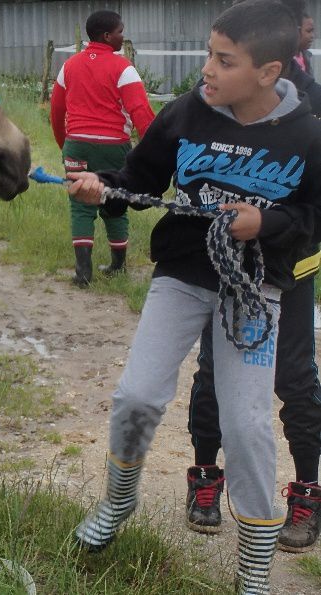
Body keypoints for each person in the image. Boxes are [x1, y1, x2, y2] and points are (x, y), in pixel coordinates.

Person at [66, 1, 321, 592]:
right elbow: (138, 181)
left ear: (267, 71)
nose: (206, 68)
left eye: (223, 60)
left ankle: (254, 565)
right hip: (181, 276)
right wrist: (103, 188)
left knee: (248, 426)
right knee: (136, 395)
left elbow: (314, 214)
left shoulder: (308, 134)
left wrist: (268, 224)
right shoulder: (186, 113)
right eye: (209, 53)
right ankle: (118, 503)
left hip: (256, 293)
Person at [185, 0, 321, 555]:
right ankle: (204, 477)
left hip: (291, 268)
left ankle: (308, 489)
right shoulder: (218, 102)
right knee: (213, 371)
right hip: (224, 267)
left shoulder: (308, 102)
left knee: (294, 377)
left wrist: (271, 225)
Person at [49, 10, 155, 286]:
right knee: (115, 200)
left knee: (80, 205)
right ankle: (118, 265)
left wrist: (66, 145)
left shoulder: (69, 66)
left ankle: (83, 272)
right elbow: (141, 112)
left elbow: (56, 110)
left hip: (76, 145)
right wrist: (154, 151)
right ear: (107, 36)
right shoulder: (124, 68)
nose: (123, 36)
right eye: (120, 31)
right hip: (113, 147)